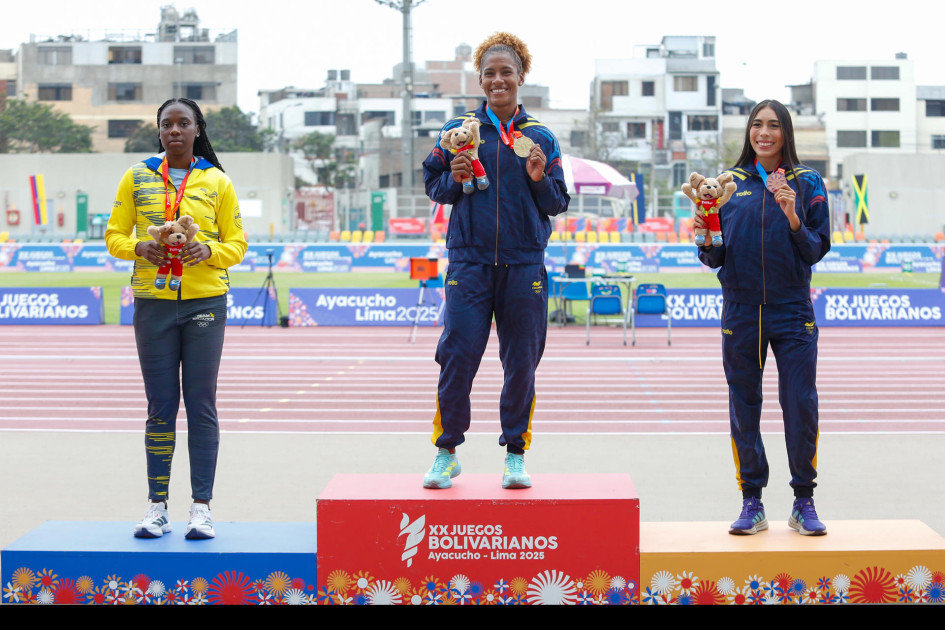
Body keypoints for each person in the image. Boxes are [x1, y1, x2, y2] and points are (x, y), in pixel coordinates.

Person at [421, 32, 570, 490]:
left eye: (507, 72)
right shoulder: (458, 132)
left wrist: (540, 178)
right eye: (490, 73)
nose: (498, 80)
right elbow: (433, 184)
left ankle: (516, 454)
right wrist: (456, 178)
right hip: (469, 261)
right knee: (457, 355)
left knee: (521, 360)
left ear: (521, 76)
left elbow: (558, 202)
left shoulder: (540, 137)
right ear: (480, 79)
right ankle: (447, 452)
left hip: (524, 264)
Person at [105, 98, 247, 539]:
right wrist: (136, 247)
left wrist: (210, 251)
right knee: (160, 408)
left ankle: (201, 508)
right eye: (167, 124)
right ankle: (156, 506)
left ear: (197, 129)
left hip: (206, 302)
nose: (175, 131)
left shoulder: (216, 181)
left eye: (184, 123)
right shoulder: (136, 177)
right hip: (153, 303)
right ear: (160, 131)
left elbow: (238, 244)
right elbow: (113, 234)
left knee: (201, 405)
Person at [695, 100, 831, 536]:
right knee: (744, 407)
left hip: (793, 311)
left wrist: (792, 216)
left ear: (786, 132)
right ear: (749, 132)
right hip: (742, 309)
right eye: (757, 125)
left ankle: (803, 501)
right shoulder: (727, 184)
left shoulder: (807, 183)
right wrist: (704, 232)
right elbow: (713, 255)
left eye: (774, 125)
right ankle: (751, 501)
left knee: (800, 405)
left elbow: (816, 248)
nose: (765, 132)